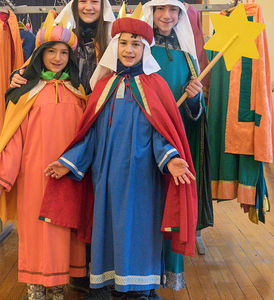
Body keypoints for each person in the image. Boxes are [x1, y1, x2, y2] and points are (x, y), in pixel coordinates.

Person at [41, 13, 198, 300]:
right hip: (107, 177)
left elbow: (161, 134)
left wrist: (171, 158)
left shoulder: (156, 86)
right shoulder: (102, 86)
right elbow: (90, 134)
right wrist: (69, 162)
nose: (129, 50)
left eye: (136, 45)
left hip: (142, 179)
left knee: (139, 229)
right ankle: (110, 285)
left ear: (144, 51)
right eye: (123, 43)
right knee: (108, 228)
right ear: (115, 46)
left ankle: (140, 288)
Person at [0, 24, 89, 300]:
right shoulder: (26, 93)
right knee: (36, 229)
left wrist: (74, 164)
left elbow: (86, 136)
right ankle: (35, 285)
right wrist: (1, 174)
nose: (57, 58)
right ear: (39, 54)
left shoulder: (78, 92)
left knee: (64, 227)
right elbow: (14, 138)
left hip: (69, 175)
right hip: (34, 176)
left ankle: (58, 284)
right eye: (51, 51)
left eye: (64, 52)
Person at [143, 0, 213, 291]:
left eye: (173, 11)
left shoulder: (187, 56)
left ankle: (167, 273)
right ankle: (141, 273)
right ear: (151, 12)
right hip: (143, 138)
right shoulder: (139, 47)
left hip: (175, 141)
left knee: (170, 208)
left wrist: (195, 97)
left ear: (181, 15)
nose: (166, 16)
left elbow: (195, 116)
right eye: (160, 9)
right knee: (144, 208)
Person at [11, 0, 115, 95]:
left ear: (102, 5)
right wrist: (18, 75)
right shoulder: (59, 33)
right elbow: (36, 63)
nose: (88, 7)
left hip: (99, 108)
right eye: (83, 1)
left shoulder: (112, 39)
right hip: (63, 102)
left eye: (95, 1)